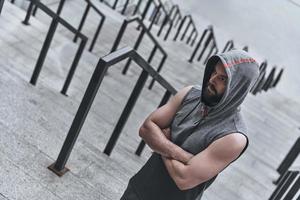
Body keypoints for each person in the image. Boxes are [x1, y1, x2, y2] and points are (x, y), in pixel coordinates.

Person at [120, 49, 259, 200]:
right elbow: (146, 129)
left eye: (223, 79)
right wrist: (182, 156)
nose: (212, 79)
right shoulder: (190, 93)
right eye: (214, 72)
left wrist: (162, 144)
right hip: (138, 189)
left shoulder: (234, 137)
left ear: (238, 88)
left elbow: (184, 179)